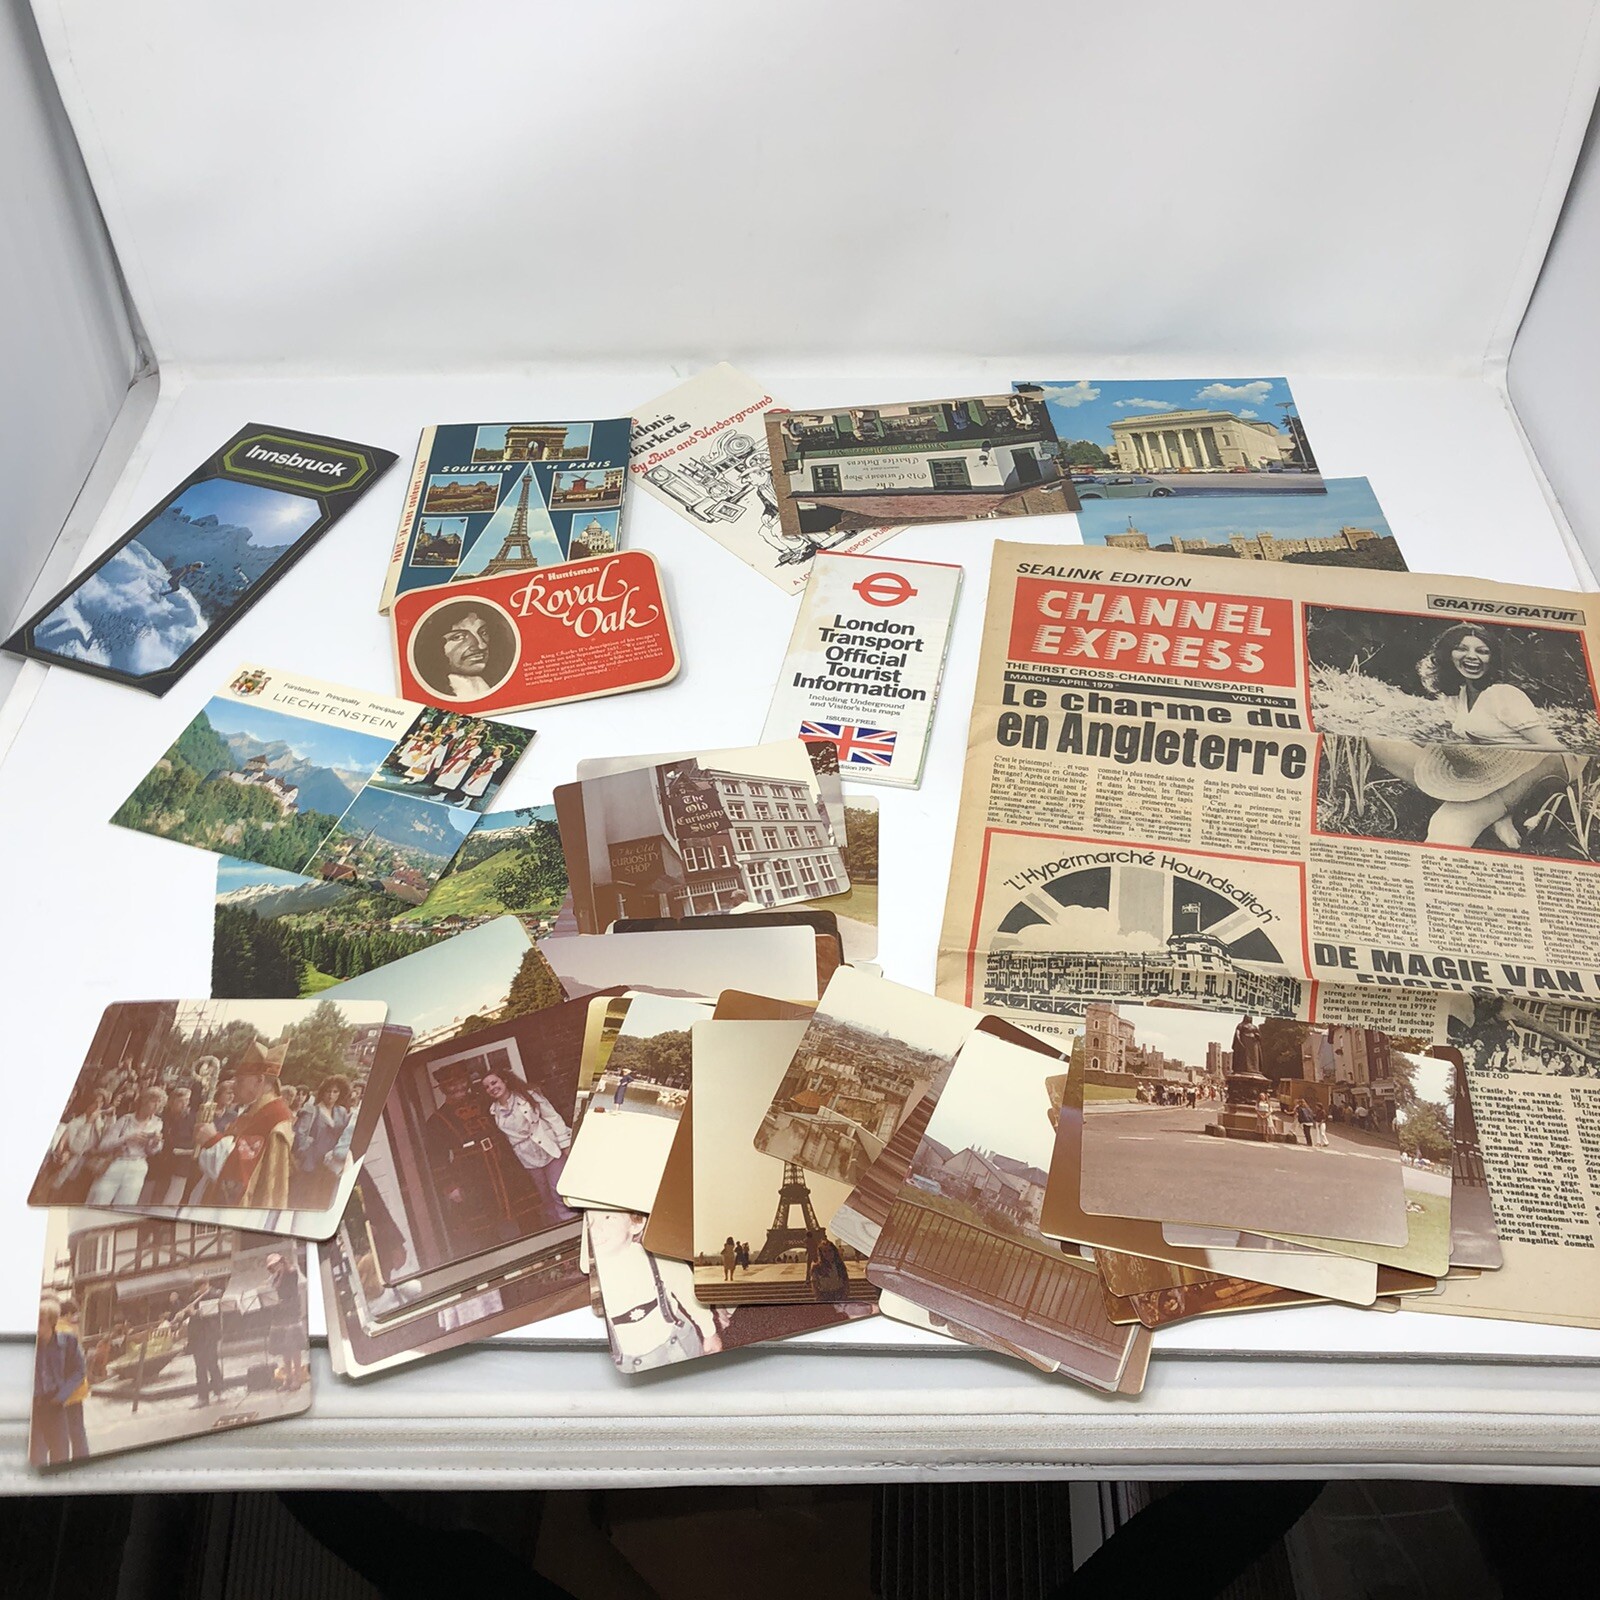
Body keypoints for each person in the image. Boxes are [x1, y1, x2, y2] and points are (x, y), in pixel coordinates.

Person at [1363, 624, 1574, 847]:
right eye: (1462, 648)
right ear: (1448, 654)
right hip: (1487, 769)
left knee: (1449, 824)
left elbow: (1556, 750)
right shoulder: (1458, 695)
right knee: (1380, 742)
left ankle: (1495, 810)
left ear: (1492, 659)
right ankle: (1495, 815)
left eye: (1482, 651)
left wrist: (1503, 764)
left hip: (1541, 768)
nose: (1472, 656)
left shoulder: (1502, 695)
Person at [422, 1064, 535, 1259]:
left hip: (505, 1162)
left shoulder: (486, 1101)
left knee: (527, 1213)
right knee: (485, 1229)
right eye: (451, 1084)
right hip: (472, 1175)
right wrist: (450, 1186)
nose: (457, 1087)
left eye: (460, 1082)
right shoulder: (437, 1120)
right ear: (443, 1088)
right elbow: (436, 1158)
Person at [589, 1210, 719, 1372]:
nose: (594, 1228)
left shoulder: (657, 1257)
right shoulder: (588, 1276)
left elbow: (689, 1293)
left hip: (676, 1342)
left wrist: (709, 1332)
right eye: (590, 1219)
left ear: (636, 1224)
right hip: (627, 1361)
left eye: (608, 1217)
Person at [197, 1042, 294, 1208]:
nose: (234, 1085)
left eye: (240, 1081)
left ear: (259, 1080)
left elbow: (242, 1177)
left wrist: (213, 1140)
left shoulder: (274, 1117)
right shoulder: (255, 1110)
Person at [481, 1069, 572, 1221]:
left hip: (549, 1148)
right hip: (527, 1157)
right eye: (487, 1087)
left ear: (504, 1080)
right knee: (544, 1195)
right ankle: (556, 1225)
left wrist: (565, 1143)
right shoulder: (493, 1111)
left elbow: (553, 1117)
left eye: (494, 1082)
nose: (492, 1088)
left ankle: (570, 1221)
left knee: (559, 1189)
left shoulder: (528, 1096)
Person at [88, 1088, 166, 1205]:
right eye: (154, 1101)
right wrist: (128, 1138)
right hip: (116, 1162)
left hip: (138, 1167)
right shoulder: (126, 1119)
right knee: (99, 1201)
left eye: (160, 1102)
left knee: (124, 1205)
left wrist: (155, 1143)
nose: (157, 1105)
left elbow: (151, 1152)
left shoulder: (158, 1123)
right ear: (144, 1101)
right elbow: (104, 1145)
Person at [32, 1298, 84, 1466]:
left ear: (52, 1322)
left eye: (40, 1322)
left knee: (60, 1453)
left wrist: (62, 1395)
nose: (36, 1326)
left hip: (55, 1403)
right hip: (34, 1406)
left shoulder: (67, 1341)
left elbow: (79, 1370)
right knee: (36, 1456)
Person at [291, 1075, 353, 1212]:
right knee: (305, 1197)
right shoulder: (312, 1110)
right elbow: (300, 1134)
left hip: (331, 1162)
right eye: (328, 1091)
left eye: (335, 1092)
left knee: (323, 1198)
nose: (331, 1095)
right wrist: (304, 1153)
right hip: (312, 1161)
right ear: (323, 1092)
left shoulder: (341, 1112)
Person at [43, 1089, 111, 1204]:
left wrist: (111, 1117)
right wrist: (88, 1123)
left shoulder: (99, 1123)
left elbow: (105, 1140)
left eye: (100, 1103)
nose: (97, 1106)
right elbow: (76, 1148)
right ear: (88, 1104)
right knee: (59, 1197)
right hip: (68, 1170)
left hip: (85, 1170)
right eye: (95, 1102)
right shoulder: (75, 1123)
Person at [144, 1085, 198, 1204]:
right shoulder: (162, 1117)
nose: (184, 1105)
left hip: (181, 1162)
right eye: (181, 1101)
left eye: (187, 1101)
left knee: (172, 1197)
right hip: (160, 1160)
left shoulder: (192, 1119)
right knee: (153, 1193)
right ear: (171, 1101)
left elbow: (195, 1140)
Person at [182, 1276, 228, 1408]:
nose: (200, 1290)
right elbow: (190, 1316)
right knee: (200, 1367)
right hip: (197, 1337)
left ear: (207, 1284)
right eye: (198, 1288)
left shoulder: (215, 1294)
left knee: (212, 1364)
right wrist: (183, 1315)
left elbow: (211, 1314)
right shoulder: (193, 1297)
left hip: (210, 1335)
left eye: (203, 1286)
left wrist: (195, 1313)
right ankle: (202, 1397)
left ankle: (219, 1391)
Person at [264, 1252, 307, 1392]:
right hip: (279, 1315)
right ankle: (287, 1378)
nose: (275, 1267)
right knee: (284, 1348)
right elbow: (273, 1291)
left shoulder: (291, 1272)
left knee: (294, 1347)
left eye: (277, 1264)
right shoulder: (274, 1277)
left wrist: (282, 1272)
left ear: (282, 1262)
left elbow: (289, 1289)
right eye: (272, 1266)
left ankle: (297, 1378)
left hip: (291, 1313)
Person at [55, 1299, 90, 1460]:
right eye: (75, 1314)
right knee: (77, 1431)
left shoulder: (53, 1329)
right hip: (73, 1392)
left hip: (58, 1392)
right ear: (68, 1314)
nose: (76, 1318)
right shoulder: (68, 1332)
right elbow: (77, 1366)